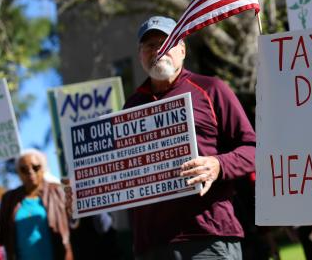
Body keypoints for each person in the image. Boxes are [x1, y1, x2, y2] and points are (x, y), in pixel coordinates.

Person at [64, 16, 255, 259]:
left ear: (182, 49)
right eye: (149, 45)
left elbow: (253, 148)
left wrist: (218, 165)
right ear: (140, 54)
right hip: (150, 246)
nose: (157, 50)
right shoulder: (131, 107)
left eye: (166, 42)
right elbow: (120, 172)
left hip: (206, 237)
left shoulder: (211, 88)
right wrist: (84, 191)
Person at [0, 149, 73, 260]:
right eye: (24, 169)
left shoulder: (58, 191)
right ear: (18, 173)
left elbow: (74, 224)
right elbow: (3, 234)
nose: (30, 172)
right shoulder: (9, 199)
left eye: (35, 167)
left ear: (43, 169)